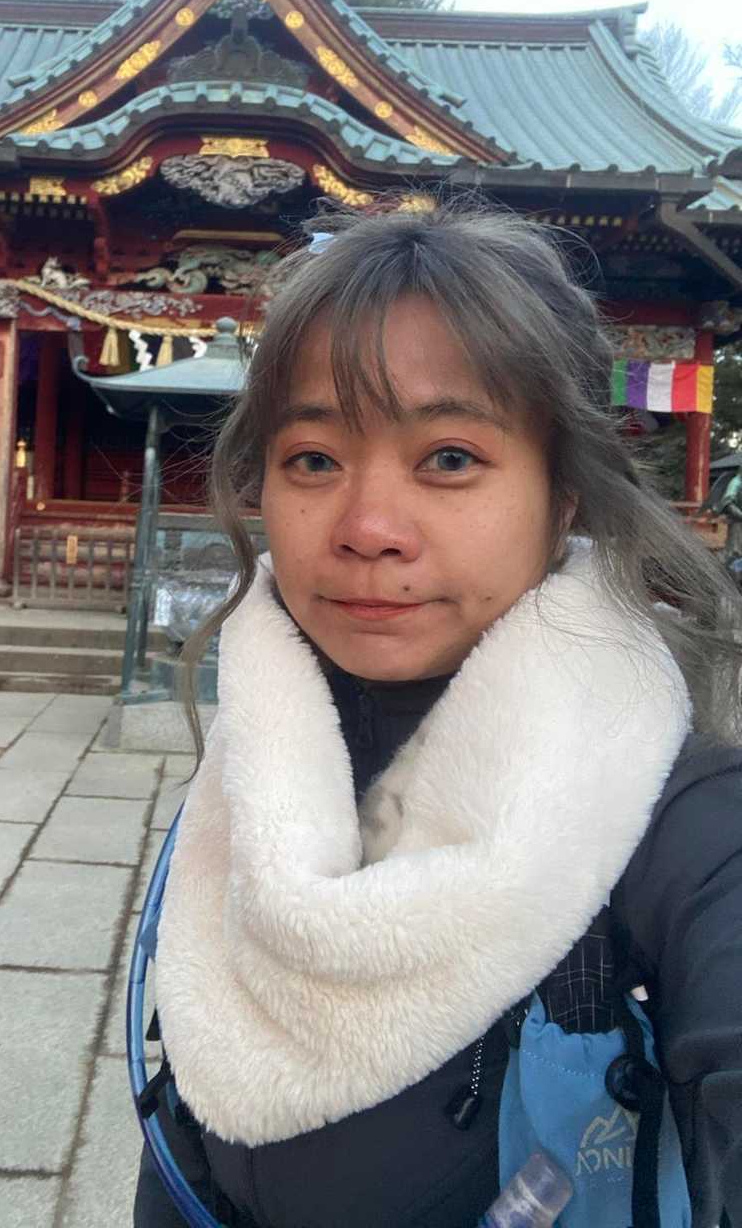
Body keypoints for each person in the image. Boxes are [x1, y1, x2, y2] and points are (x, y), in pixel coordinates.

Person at [132, 199, 742, 1228]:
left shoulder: (683, 819)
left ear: (563, 494)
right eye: (313, 459)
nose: (369, 528)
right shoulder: (259, 763)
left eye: (450, 458)